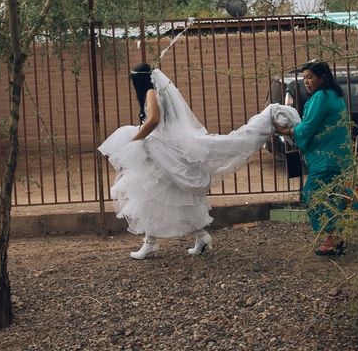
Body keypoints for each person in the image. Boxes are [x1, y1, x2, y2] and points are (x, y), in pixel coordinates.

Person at [99, 63, 299, 259]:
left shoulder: (150, 92)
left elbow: (154, 120)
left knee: (152, 194)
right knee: (165, 194)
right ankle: (197, 237)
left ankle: (153, 243)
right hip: (160, 152)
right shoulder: (158, 92)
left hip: (161, 151)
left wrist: (136, 139)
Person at [273, 61, 352, 256]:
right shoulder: (335, 96)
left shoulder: (321, 97)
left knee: (312, 195)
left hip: (325, 159)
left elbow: (307, 128)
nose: (306, 82)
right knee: (334, 197)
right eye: (304, 78)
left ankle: (332, 237)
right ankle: (339, 236)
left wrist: (285, 130)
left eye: (310, 77)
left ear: (322, 77)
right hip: (339, 156)